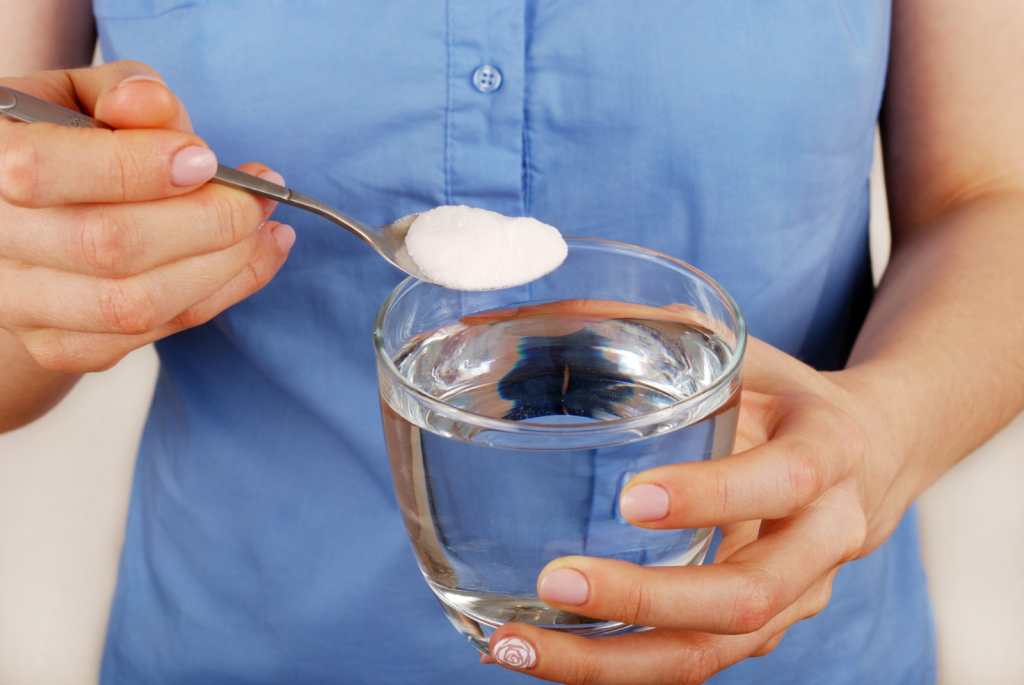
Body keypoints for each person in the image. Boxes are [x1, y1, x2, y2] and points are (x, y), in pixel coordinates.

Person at [1, 2, 1021, 683]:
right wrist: (43, 270)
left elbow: (995, 196)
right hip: (253, 641)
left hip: (790, 647)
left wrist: (887, 431)